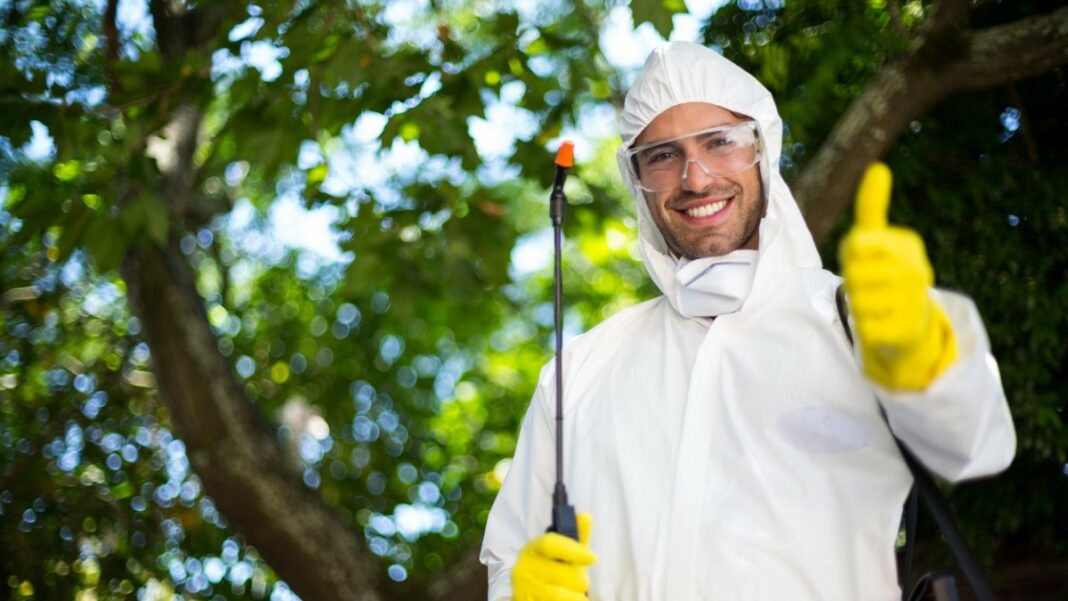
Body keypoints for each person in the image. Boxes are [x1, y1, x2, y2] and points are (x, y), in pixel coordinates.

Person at [479, 41, 1015, 601]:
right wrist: (520, 591)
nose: (695, 177)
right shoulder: (581, 370)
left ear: (762, 150)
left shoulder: (859, 321)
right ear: (637, 180)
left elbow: (977, 444)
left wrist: (925, 351)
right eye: (662, 155)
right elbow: (510, 554)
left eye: (720, 142)